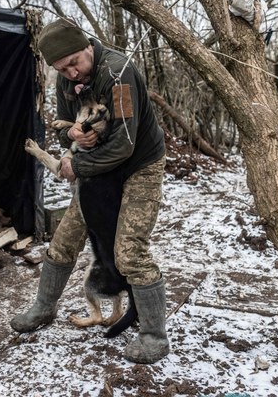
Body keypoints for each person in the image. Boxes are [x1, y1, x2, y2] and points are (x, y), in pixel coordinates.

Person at [10, 18, 168, 364]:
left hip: (138, 165)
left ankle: (154, 334)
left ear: (87, 47)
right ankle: (43, 308)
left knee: (128, 250)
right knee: (64, 238)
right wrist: (74, 139)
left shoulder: (117, 74)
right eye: (60, 69)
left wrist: (76, 165)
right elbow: (66, 128)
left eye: (74, 64)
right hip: (97, 167)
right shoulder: (68, 80)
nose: (71, 73)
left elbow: (125, 145)